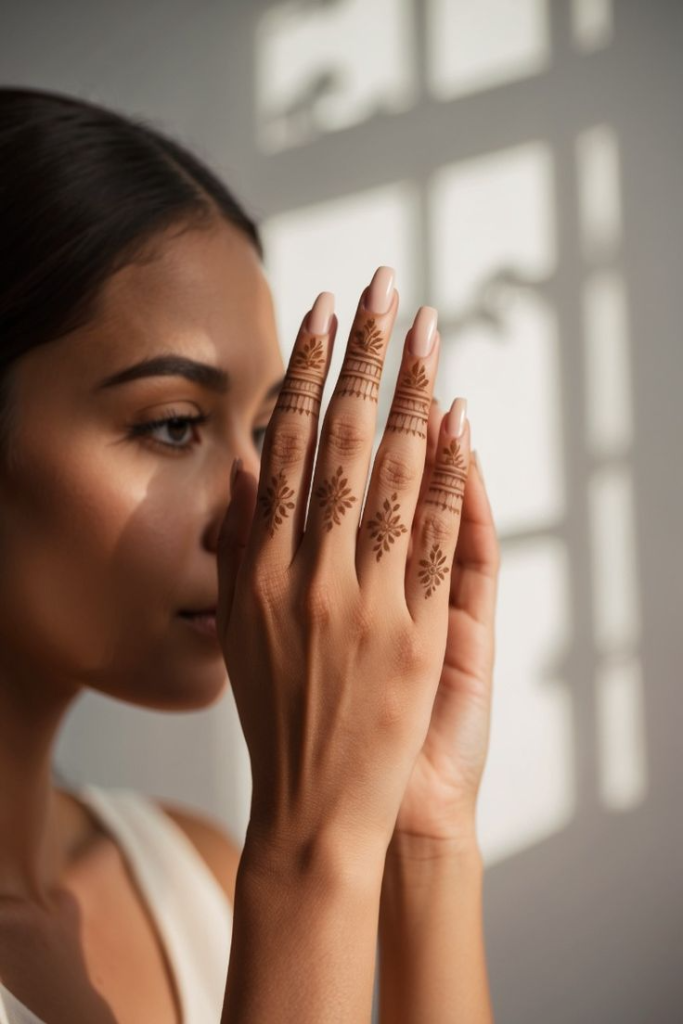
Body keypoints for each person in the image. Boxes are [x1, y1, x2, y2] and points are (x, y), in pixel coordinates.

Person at [0, 85, 499, 1023]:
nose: (259, 510)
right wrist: (312, 848)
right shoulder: (274, 869)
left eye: (270, 426)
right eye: (175, 425)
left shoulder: (195, 874)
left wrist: (420, 831)